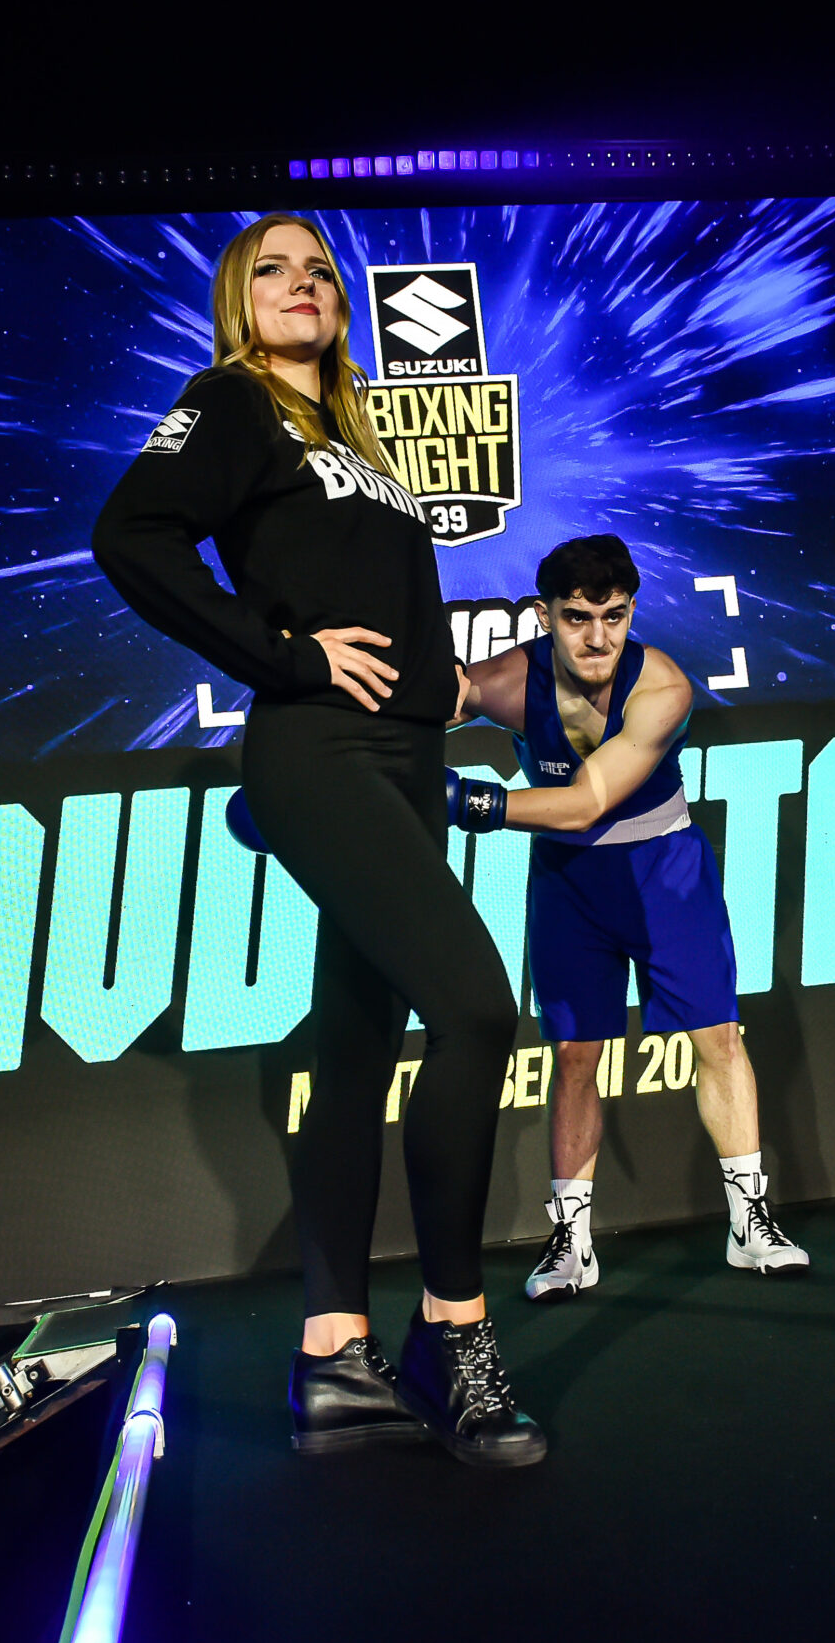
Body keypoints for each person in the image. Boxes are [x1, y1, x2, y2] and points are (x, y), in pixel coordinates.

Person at [92, 213, 544, 1465]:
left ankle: (332, 1355)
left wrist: (442, 688)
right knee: (476, 1012)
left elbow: (384, 595)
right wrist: (283, 657)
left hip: (401, 759)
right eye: (274, 271)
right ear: (241, 300)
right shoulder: (231, 403)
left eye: (320, 272)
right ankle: (452, 1333)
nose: (303, 284)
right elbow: (130, 536)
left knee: (355, 1047)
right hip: (318, 754)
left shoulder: (352, 434)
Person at [449, 533, 810, 1301]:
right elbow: (421, 705)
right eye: (577, 618)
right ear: (545, 615)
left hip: (665, 871)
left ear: (632, 612)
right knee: (575, 1056)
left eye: (614, 616)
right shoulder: (508, 682)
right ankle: (572, 1244)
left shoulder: (664, 688)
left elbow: (586, 802)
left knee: (718, 1039)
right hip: (570, 882)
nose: (597, 638)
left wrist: (468, 801)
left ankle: (750, 1224)